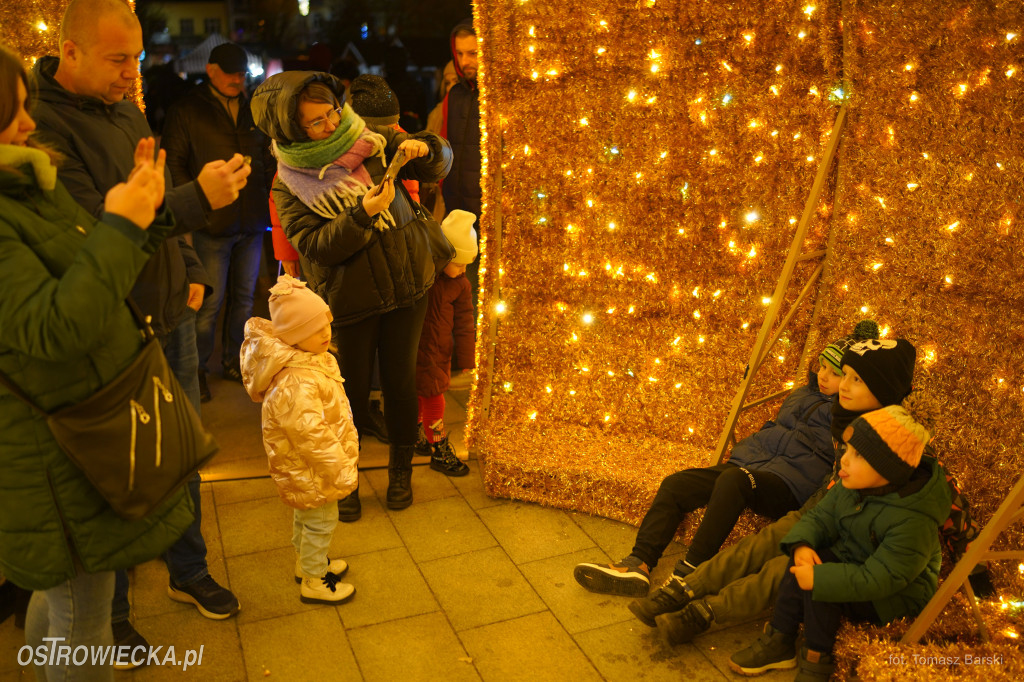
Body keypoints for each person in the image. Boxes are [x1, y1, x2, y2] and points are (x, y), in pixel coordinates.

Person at [30, 0, 247, 659]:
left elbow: (152, 186)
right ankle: (113, 613)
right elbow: (101, 227)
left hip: (165, 309)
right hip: (108, 328)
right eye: (118, 59)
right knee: (120, 472)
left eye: (137, 60)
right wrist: (195, 202)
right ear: (69, 52)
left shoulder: (127, 107)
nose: (131, 73)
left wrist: (187, 265)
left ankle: (188, 568)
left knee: (181, 451)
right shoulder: (42, 127)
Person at [0, 43, 194, 682]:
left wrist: (148, 210)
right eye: (11, 113)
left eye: (27, 105)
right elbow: (53, 326)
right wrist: (120, 223)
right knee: (85, 613)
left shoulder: (26, 180)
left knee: (60, 598)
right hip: (54, 448)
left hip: (71, 432)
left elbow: (88, 265)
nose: (27, 123)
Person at [645, 338, 986, 647]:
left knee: (781, 568)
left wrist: (975, 569)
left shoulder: (898, 437)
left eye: (856, 379)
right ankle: (684, 589)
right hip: (824, 506)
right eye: (845, 375)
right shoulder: (842, 415)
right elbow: (831, 476)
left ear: (883, 390)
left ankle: (702, 614)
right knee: (764, 541)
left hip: (854, 533)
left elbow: (946, 498)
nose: (844, 385)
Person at [250, 71, 452, 520]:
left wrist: (430, 147)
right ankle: (347, 479)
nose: (331, 125)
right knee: (349, 394)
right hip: (349, 298)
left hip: (407, 280)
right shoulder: (289, 183)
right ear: (289, 129)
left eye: (333, 113)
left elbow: (437, 164)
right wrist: (361, 215)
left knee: (401, 383)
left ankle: (401, 471)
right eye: (316, 122)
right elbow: (316, 245)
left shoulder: (370, 138)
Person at [574, 321, 880, 599]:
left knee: (734, 481)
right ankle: (637, 565)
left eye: (836, 372)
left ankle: (690, 571)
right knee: (677, 484)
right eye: (823, 367)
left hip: (789, 483)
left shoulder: (849, 413)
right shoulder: (803, 392)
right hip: (754, 463)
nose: (824, 376)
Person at [728, 406, 946, 680]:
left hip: (894, 596)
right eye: (847, 449)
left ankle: (817, 659)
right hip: (855, 560)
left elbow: (885, 577)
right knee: (802, 565)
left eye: (857, 455)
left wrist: (821, 579)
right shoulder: (853, 483)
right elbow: (819, 517)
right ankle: (779, 638)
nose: (844, 460)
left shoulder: (913, 518)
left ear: (886, 469)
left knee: (824, 587)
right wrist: (802, 545)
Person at [162, 42, 275, 400]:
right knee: (209, 302)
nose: (238, 79)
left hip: (252, 218)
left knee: (243, 299)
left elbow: (268, 155)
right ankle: (194, 369)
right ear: (211, 71)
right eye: (230, 73)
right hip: (213, 222)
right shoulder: (188, 110)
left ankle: (234, 361)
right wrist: (195, 202)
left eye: (242, 73)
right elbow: (175, 162)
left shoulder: (253, 109)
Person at [240, 275, 359, 604]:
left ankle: (308, 562)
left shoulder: (308, 360)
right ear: (293, 336)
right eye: (312, 329)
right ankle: (315, 579)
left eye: (325, 324)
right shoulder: (297, 379)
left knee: (308, 517)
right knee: (322, 520)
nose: (324, 333)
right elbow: (310, 435)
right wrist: (340, 468)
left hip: (308, 468)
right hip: (314, 468)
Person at [413, 209, 478, 476]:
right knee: (427, 397)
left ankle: (424, 437)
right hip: (416, 349)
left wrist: (467, 359)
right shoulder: (423, 276)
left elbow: (465, 322)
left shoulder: (460, 285)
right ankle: (435, 447)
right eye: (459, 263)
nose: (463, 270)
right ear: (442, 256)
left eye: (466, 266)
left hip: (439, 353)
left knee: (431, 396)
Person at [441, 19, 482, 306]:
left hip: (488, 208)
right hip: (457, 205)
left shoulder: (499, 96)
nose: (466, 61)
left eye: (473, 53)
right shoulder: (455, 95)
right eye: (461, 53)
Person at [423, 61, 458, 222]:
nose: (451, 87)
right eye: (447, 82)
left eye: (456, 81)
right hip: (440, 189)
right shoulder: (437, 114)